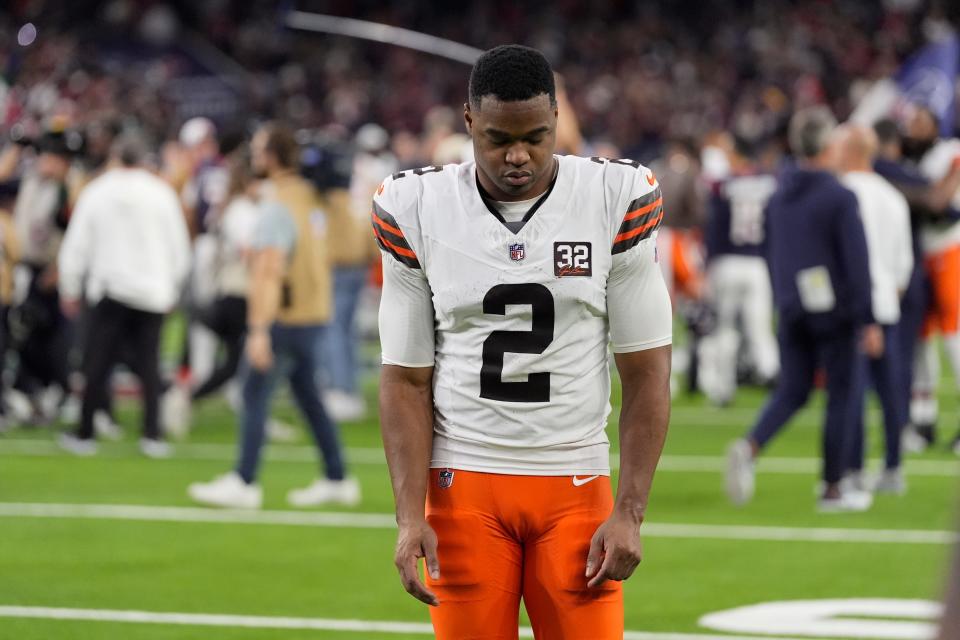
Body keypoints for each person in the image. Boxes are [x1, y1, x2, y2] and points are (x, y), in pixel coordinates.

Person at [376, 45, 672, 638]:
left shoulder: (616, 197)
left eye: (536, 136)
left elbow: (646, 371)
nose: (517, 155)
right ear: (467, 122)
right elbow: (406, 377)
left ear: (559, 119)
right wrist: (410, 517)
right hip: (463, 486)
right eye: (496, 138)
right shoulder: (415, 206)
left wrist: (631, 513)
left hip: (575, 484)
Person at [188, 122, 358, 510]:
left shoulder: (277, 205)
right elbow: (348, 250)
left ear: (272, 156)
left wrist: (259, 330)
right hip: (314, 313)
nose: (253, 155)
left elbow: (266, 272)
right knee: (307, 395)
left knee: (253, 392)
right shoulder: (314, 201)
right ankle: (337, 476)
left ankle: (244, 481)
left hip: (285, 315)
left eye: (260, 148)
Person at [725, 107, 877, 512]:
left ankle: (751, 444)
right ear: (829, 146)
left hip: (792, 307)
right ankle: (833, 487)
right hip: (837, 311)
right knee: (843, 395)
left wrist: (784, 300)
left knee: (793, 390)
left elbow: (772, 254)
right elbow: (856, 262)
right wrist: (867, 316)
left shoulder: (778, 195)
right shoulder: (840, 196)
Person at [56, 134, 191, 457]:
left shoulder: (97, 190)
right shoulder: (161, 193)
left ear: (116, 157)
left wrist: (71, 287)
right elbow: (180, 248)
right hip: (153, 292)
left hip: (110, 289)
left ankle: (85, 433)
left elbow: (76, 245)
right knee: (149, 363)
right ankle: (152, 434)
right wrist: (171, 286)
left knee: (96, 363)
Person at [833, 123, 913, 494]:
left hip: (852, 308)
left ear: (850, 151)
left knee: (853, 390)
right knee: (890, 390)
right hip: (887, 306)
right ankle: (894, 468)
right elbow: (903, 264)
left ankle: (854, 470)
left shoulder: (841, 193)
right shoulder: (892, 197)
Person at [698, 138, 780, 405]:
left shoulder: (723, 185)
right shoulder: (769, 183)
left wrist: (708, 263)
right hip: (757, 263)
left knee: (724, 327)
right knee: (760, 325)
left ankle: (723, 388)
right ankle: (770, 373)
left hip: (726, 262)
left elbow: (713, 228)